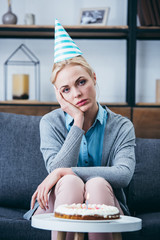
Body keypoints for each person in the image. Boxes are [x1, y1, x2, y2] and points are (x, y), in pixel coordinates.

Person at [26, 19, 136, 240]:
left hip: (105, 201)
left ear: (94, 79)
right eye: (66, 89)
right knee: (68, 181)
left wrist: (66, 171)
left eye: (81, 82)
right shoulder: (50, 123)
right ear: (59, 95)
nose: (76, 93)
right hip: (60, 201)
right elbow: (56, 171)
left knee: (95, 183)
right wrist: (77, 120)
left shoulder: (122, 126)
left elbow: (123, 174)